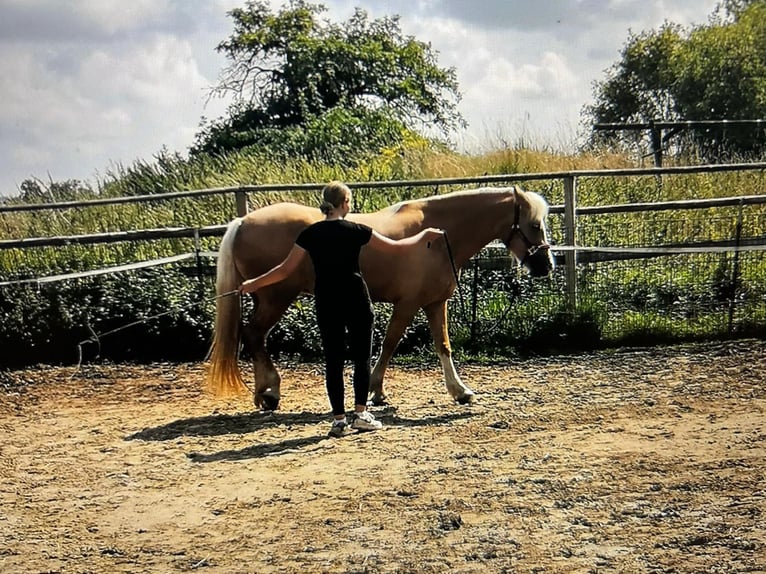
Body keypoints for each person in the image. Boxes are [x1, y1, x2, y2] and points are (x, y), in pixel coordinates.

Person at [239, 181, 444, 437]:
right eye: (349, 201)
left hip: (326, 301)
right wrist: (423, 237)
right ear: (344, 203)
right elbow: (396, 248)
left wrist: (252, 284)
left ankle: (338, 420)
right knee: (361, 358)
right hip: (356, 299)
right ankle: (360, 413)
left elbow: (283, 270)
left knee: (333, 362)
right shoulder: (356, 230)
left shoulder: (309, 234)